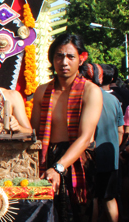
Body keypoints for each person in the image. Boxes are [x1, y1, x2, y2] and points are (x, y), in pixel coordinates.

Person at [30, 33, 103, 222]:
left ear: (81, 59)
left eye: (70, 56)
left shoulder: (91, 91)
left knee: (79, 214)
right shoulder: (42, 91)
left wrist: (59, 167)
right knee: (46, 214)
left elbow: (85, 137)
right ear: (52, 59)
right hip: (46, 158)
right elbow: (35, 133)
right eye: (59, 56)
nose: (64, 61)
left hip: (77, 159)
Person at [84, 63, 122, 222]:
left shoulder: (85, 97)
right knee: (109, 197)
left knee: (91, 198)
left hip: (91, 156)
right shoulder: (113, 99)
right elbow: (120, 130)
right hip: (110, 157)